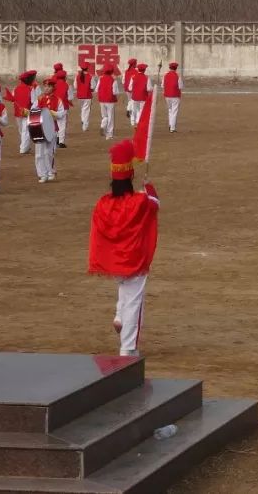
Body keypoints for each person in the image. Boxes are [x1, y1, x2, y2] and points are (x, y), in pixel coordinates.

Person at [88, 139, 160, 357]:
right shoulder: (139, 201)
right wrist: (148, 187)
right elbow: (155, 203)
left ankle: (119, 315)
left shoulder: (103, 203)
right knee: (134, 301)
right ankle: (128, 347)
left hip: (112, 260)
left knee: (125, 288)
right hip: (133, 260)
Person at [33, 77, 66, 183]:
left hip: (51, 128)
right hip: (39, 128)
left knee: (49, 152)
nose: (46, 88)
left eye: (49, 86)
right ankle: (42, 174)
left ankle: (50, 171)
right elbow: (33, 111)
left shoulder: (58, 100)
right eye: (45, 86)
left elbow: (61, 114)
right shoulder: (39, 99)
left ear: (53, 88)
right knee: (39, 153)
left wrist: (52, 113)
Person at [12, 70, 38, 154]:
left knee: (22, 130)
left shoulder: (15, 88)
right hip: (27, 112)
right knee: (26, 131)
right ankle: (23, 148)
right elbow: (34, 101)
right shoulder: (30, 89)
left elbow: (13, 99)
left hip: (17, 112)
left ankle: (25, 146)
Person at [96, 65, 122, 139]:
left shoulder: (100, 79)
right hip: (110, 100)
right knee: (110, 117)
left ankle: (103, 125)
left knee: (104, 115)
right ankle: (109, 135)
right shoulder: (113, 80)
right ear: (112, 72)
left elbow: (96, 89)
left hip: (101, 100)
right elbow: (115, 92)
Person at [53, 69, 74, 147]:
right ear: (65, 77)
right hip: (63, 107)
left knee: (55, 124)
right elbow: (70, 97)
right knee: (62, 124)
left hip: (54, 107)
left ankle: (56, 138)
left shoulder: (53, 85)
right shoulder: (67, 85)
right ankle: (61, 142)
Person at [163, 62, 183, 132]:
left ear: (170, 68)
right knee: (174, 111)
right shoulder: (177, 76)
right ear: (176, 68)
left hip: (167, 95)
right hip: (175, 95)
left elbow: (162, 85)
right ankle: (172, 128)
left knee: (170, 110)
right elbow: (181, 86)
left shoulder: (165, 75)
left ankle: (170, 124)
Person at [74, 62, 94, 132]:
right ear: (87, 68)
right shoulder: (90, 76)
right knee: (86, 111)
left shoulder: (77, 76)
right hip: (87, 95)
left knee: (83, 109)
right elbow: (92, 86)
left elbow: (75, 86)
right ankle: (85, 126)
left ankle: (83, 120)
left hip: (79, 96)